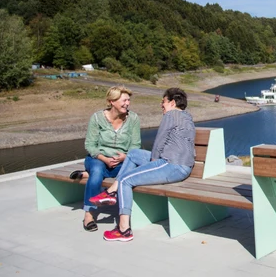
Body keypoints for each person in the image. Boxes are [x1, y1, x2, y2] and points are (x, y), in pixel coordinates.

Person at [88, 87, 196, 242]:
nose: (161, 104)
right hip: (178, 164)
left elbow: (159, 142)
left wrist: (151, 165)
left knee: (126, 180)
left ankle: (124, 230)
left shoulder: (171, 115)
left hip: (172, 165)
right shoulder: (186, 116)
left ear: (172, 103)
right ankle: (112, 192)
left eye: (163, 101)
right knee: (133, 153)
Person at [74, 86, 141, 232]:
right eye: (124, 100)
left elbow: (135, 145)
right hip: (98, 158)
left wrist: (125, 157)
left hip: (123, 160)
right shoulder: (97, 118)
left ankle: (87, 173)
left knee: (128, 172)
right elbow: (90, 145)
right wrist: (104, 159)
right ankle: (89, 215)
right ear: (112, 101)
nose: (127, 103)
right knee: (97, 171)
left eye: (128, 100)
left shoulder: (133, 118)